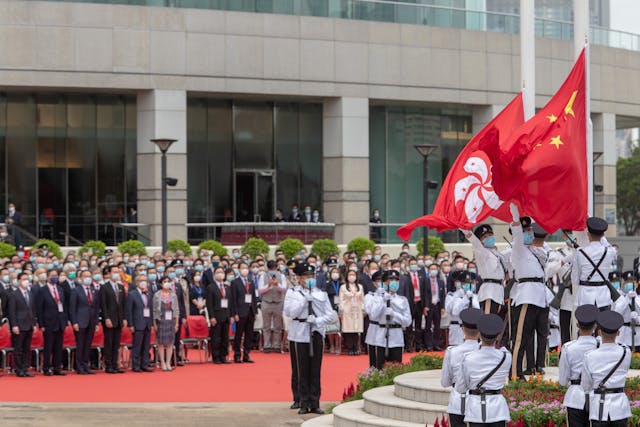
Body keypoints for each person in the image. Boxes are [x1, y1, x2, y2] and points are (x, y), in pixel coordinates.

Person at [283, 262, 336, 415]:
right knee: (302, 369)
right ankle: (303, 401)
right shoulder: (292, 293)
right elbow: (290, 313)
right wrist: (304, 301)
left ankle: (315, 402)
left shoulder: (321, 293)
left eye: (311, 276)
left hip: (316, 332)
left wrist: (318, 321)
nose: (309, 279)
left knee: (315, 369)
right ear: (299, 278)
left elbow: (330, 315)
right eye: (306, 276)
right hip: (299, 334)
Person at [508, 204, 549, 379]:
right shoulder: (518, 249)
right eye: (526, 230)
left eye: (530, 229)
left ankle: (529, 368)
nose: (529, 232)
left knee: (530, 335)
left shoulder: (536, 251)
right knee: (520, 338)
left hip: (539, 296)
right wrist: (516, 213)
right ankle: (515, 374)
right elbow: (517, 234)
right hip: (526, 296)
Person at [455, 314, 512, 427]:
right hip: (498, 410)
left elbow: (460, 388)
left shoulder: (468, 358)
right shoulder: (506, 356)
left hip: (475, 410)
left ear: (479, 334)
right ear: (498, 336)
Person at [581, 310, 631, 427]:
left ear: (599, 332)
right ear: (618, 333)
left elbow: (586, 386)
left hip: (598, 408)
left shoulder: (589, 356)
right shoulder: (626, 352)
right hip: (619, 408)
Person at [558, 304, 599, 427]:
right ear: (595, 325)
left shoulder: (568, 347)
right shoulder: (600, 346)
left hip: (575, 397)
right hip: (596, 397)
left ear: (577, 325)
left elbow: (563, 381)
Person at [441, 308, 482, 427]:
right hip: (479, 403)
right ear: (479, 330)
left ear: (463, 329)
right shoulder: (484, 352)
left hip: (457, 403)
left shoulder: (452, 352)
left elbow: (445, 382)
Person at [571, 217, 618, 310]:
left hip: (585, 297)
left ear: (588, 234)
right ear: (603, 234)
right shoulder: (610, 251)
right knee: (602, 324)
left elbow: (574, 279)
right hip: (603, 297)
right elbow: (607, 244)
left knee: (586, 324)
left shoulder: (580, 252)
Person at [461, 225, 507, 315]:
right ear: (480, 241)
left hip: (499, 291)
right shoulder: (481, 251)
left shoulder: (497, 254)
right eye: (485, 237)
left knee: (495, 323)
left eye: (490, 235)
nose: (489, 238)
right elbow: (473, 240)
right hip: (489, 292)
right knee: (487, 321)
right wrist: (463, 228)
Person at [372, 270, 412, 368]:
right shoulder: (378, 298)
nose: (394, 282)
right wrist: (382, 301)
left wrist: (394, 315)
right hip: (382, 335)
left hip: (397, 336)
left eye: (396, 280)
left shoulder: (402, 300)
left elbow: (407, 321)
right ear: (384, 283)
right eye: (390, 280)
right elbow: (373, 315)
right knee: (380, 368)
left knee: (396, 367)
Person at [36, 269, 67, 376]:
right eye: (52, 276)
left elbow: (64, 305)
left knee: (59, 346)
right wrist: (41, 324)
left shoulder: (60, 289)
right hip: (48, 322)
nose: (55, 278)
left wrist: (65, 321)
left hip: (60, 321)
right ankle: (46, 368)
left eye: (56, 276)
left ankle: (57, 367)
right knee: (48, 346)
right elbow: (39, 308)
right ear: (47, 277)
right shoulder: (42, 290)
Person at [69, 270, 100, 374]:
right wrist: (74, 322)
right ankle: (79, 366)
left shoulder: (93, 290)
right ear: (81, 278)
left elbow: (96, 308)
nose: (88, 278)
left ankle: (86, 365)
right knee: (80, 344)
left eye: (89, 276)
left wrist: (96, 322)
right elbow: (72, 308)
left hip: (91, 321)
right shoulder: (76, 290)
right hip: (80, 321)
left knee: (88, 345)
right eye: (85, 276)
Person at [100, 265, 127, 374]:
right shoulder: (104, 287)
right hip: (109, 319)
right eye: (114, 272)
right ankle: (109, 365)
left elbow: (123, 304)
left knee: (116, 344)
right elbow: (103, 305)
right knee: (109, 343)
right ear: (109, 274)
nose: (116, 273)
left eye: (118, 271)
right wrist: (106, 318)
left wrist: (124, 318)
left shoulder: (120, 287)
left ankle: (115, 364)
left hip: (119, 319)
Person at [8, 273, 36, 377]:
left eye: (27, 279)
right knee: (18, 348)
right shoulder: (14, 294)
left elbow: (32, 310)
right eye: (24, 279)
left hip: (29, 325)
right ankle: (18, 369)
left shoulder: (30, 293)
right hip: (19, 325)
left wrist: (33, 323)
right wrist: (14, 325)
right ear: (19, 281)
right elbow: (12, 312)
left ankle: (25, 368)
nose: (26, 281)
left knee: (26, 349)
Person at [230, 262, 257, 363]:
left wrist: (255, 311)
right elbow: (233, 299)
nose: (245, 270)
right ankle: (237, 355)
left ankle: (246, 354)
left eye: (246, 268)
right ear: (239, 269)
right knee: (239, 334)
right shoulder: (235, 282)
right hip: (240, 312)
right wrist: (235, 313)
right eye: (243, 268)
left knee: (249, 334)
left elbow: (253, 297)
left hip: (250, 311)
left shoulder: (251, 281)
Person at [127, 275, 154, 372]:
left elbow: (151, 309)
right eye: (141, 280)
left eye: (145, 280)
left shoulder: (149, 294)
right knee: (137, 345)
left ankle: (144, 364)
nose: (143, 282)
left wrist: (151, 323)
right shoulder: (132, 294)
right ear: (137, 282)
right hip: (137, 323)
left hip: (147, 323)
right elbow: (129, 311)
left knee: (146, 345)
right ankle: (136, 365)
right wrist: (131, 324)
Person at [445, 272, 480, 346]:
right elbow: (455, 311)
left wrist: (471, 298)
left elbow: (478, 310)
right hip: (457, 328)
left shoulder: (475, 296)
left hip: (472, 330)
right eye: (466, 283)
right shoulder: (453, 296)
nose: (469, 285)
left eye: (472, 283)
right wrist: (465, 299)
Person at [258, 260, 286, 353]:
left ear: (277, 268)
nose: (272, 270)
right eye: (271, 269)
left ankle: (277, 346)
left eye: (274, 268)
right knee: (266, 326)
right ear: (268, 268)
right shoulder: (263, 276)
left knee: (278, 326)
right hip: (266, 302)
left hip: (278, 302)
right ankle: (266, 345)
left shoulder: (281, 276)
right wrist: (269, 285)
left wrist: (277, 284)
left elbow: (283, 289)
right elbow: (260, 290)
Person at [206, 266, 231, 364]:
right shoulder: (211, 287)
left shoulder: (227, 287)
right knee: (216, 338)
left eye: (222, 272)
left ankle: (223, 356)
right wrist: (212, 317)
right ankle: (216, 357)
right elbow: (209, 304)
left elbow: (230, 302)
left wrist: (231, 315)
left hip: (226, 315)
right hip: (216, 316)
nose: (220, 274)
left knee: (225, 338)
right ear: (214, 275)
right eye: (218, 272)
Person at [153, 276, 179, 371]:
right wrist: (155, 324)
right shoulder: (157, 295)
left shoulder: (173, 295)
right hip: (161, 320)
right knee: (160, 343)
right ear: (161, 283)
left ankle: (168, 362)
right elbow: (154, 311)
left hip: (170, 321)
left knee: (170, 343)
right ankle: (162, 362)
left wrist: (176, 323)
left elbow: (176, 310)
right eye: (165, 281)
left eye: (168, 281)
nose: (167, 283)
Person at [612, 271, 640, 351]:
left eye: (632, 281)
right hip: (624, 336)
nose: (630, 284)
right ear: (623, 283)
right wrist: (627, 299)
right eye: (627, 281)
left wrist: (638, 319)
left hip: (638, 336)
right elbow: (616, 314)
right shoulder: (619, 299)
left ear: (637, 283)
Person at [339, 268, 364, 355]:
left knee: (356, 330)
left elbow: (362, 299)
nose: (352, 277)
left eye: (353, 275)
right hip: (348, 311)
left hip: (357, 311)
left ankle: (356, 347)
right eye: (350, 275)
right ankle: (350, 348)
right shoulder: (343, 287)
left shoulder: (360, 287)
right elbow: (341, 299)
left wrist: (362, 308)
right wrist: (342, 310)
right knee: (349, 330)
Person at [423, 262, 446, 351]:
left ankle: (436, 344)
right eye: (431, 269)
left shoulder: (440, 282)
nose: (433, 271)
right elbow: (424, 294)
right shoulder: (426, 281)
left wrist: (443, 307)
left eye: (435, 269)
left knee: (437, 326)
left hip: (438, 306)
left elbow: (443, 295)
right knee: (428, 326)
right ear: (428, 270)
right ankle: (428, 344)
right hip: (429, 306)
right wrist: (425, 306)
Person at [325, 267, 342, 354]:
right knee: (331, 327)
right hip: (330, 307)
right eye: (333, 272)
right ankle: (332, 345)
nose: (335, 274)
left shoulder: (342, 284)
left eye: (337, 272)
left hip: (340, 307)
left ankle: (337, 345)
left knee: (338, 328)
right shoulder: (327, 284)